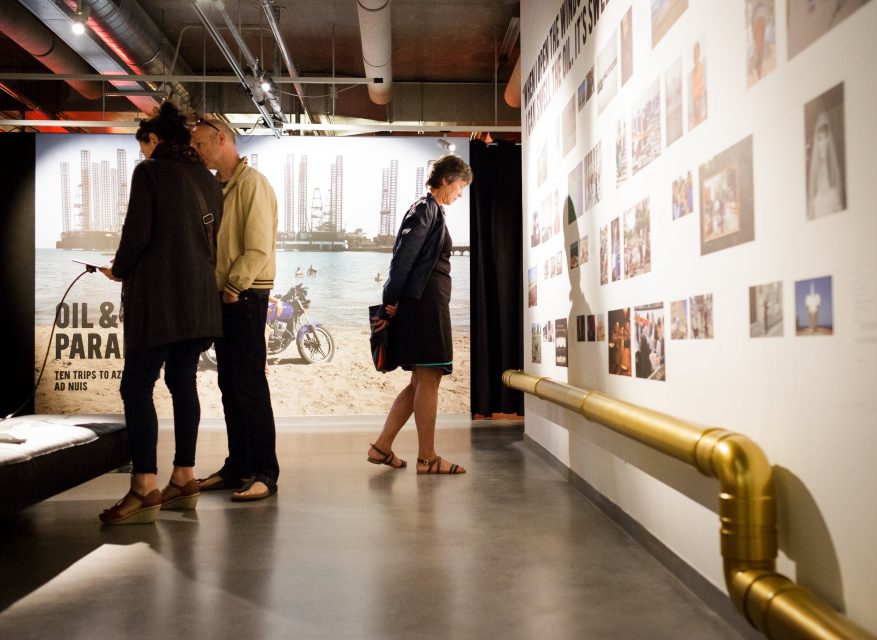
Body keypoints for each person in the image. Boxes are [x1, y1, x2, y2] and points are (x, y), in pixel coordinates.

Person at [97, 102, 223, 525]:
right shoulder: (208, 180)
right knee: (182, 382)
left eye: (142, 147)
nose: (142, 155)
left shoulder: (149, 173)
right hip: (199, 300)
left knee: (136, 387)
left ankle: (144, 487)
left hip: (159, 303)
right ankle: (184, 477)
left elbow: (137, 234)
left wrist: (118, 269)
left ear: (153, 140)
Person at [191, 118, 280, 501]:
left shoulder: (252, 184)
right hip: (226, 299)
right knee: (229, 385)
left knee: (249, 387)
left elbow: (258, 248)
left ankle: (264, 472)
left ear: (221, 139)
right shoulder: (217, 186)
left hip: (244, 297)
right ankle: (238, 467)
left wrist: (232, 288)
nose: (195, 149)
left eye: (199, 143)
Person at [367, 155, 472, 475]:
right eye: (460, 185)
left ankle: (381, 446)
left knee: (420, 382)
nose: (461, 193)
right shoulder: (425, 208)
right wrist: (389, 304)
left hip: (424, 305)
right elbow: (403, 259)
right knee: (429, 381)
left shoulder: (433, 211)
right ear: (445, 180)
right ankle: (427, 458)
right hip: (423, 308)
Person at [807, 111, 844, 219]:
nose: (822, 143)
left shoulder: (834, 169)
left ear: (829, 139)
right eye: (819, 139)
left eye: (825, 138)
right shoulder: (814, 171)